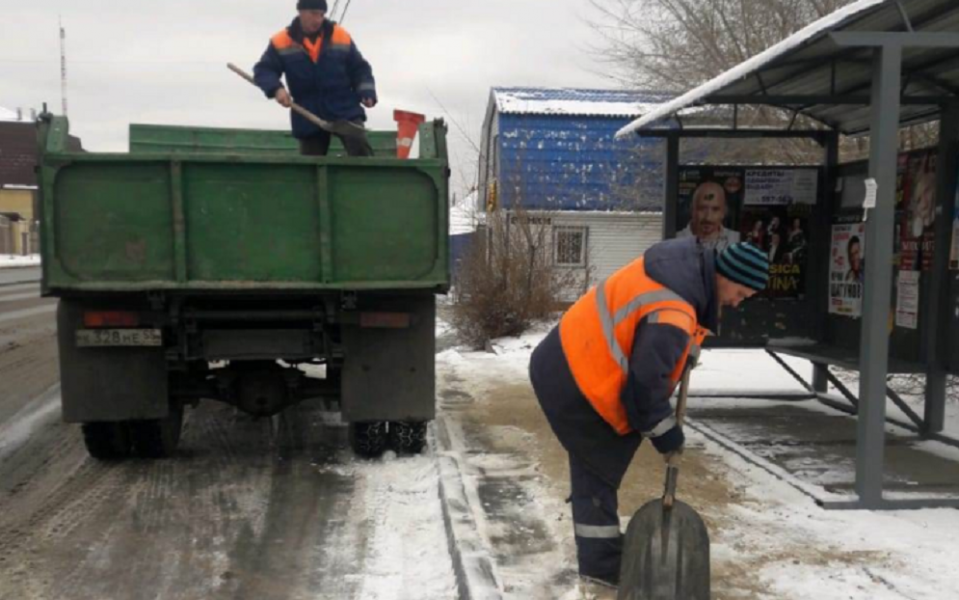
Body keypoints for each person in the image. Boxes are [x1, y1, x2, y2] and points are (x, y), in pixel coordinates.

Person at [528, 238, 769, 590]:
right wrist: (667, 434)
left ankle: (602, 558)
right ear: (726, 275)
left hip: (572, 356)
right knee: (598, 468)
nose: (737, 302)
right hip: (576, 377)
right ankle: (601, 567)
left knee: (600, 464)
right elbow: (643, 393)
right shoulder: (674, 310)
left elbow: (660, 336)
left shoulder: (684, 272)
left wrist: (688, 347)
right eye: (741, 293)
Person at [253, 0, 377, 157]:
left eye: (321, 14)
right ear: (301, 12)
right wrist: (276, 89)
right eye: (313, 14)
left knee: (359, 146)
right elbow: (264, 69)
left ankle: (366, 180)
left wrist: (366, 92)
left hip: (344, 107)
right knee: (310, 164)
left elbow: (359, 68)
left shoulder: (340, 35)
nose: (318, 19)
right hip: (307, 111)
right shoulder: (281, 41)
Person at [677, 181, 741, 251]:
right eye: (702, 209)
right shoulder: (674, 240)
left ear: (724, 212)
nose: (708, 217)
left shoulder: (737, 241)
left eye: (715, 209)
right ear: (692, 210)